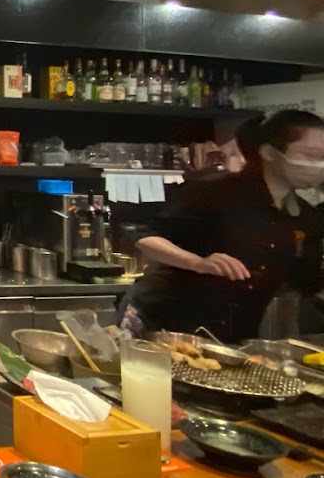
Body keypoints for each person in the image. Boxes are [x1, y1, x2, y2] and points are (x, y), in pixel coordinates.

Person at [124, 109, 324, 341]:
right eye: (311, 155)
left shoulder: (305, 217)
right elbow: (145, 235)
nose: (318, 165)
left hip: (234, 335)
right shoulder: (216, 192)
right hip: (166, 325)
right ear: (269, 152)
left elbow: (307, 280)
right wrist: (198, 263)